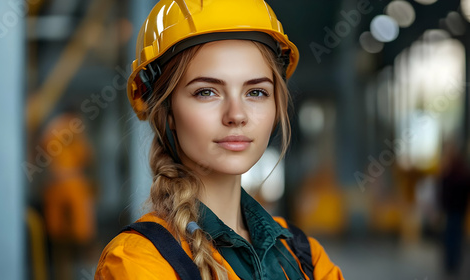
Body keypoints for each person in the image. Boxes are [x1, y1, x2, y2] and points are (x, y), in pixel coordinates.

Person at [96, 1, 344, 279]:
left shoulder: (304, 255)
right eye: (206, 92)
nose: (236, 115)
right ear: (166, 112)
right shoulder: (137, 262)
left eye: (256, 92)